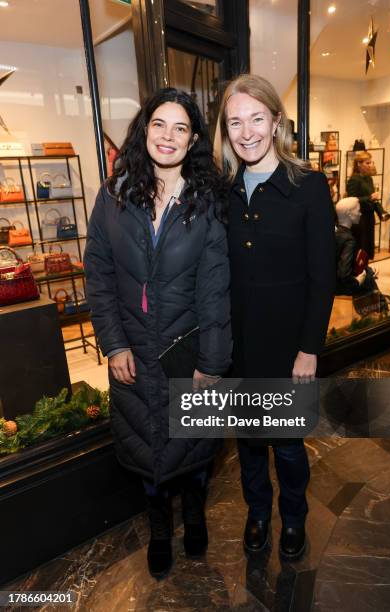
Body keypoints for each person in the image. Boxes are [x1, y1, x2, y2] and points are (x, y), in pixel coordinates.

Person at [84, 88, 231, 578]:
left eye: (181, 128)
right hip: (132, 350)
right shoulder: (113, 197)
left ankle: (193, 512)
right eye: (159, 125)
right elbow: (99, 277)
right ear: (144, 130)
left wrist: (212, 362)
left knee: (192, 447)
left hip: (186, 347)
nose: (168, 137)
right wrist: (114, 343)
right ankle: (160, 527)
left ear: (192, 141)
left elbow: (215, 288)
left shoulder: (204, 202)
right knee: (145, 447)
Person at [218, 74, 336, 560]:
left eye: (256, 119)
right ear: (225, 131)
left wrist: (309, 349)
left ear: (276, 122)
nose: (246, 132)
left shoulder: (307, 186)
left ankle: (292, 518)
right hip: (237, 348)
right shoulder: (221, 190)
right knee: (248, 446)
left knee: (287, 446)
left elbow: (323, 278)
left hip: (289, 349)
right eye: (234, 122)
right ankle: (257, 513)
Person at [335, 197, 387, 315]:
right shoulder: (349, 240)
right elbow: (343, 274)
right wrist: (358, 281)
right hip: (338, 285)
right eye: (357, 210)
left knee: (367, 272)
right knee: (367, 278)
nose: (360, 213)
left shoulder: (335, 231)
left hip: (329, 280)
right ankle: (380, 315)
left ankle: (373, 313)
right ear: (349, 214)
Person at [346, 151, 390, 259]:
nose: (370, 165)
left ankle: (366, 271)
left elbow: (372, 199)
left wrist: (381, 211)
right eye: (367, 163)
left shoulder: (369, 178)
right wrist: (369, 198)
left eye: (371, 162)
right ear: (359, 164)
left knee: (368, 247)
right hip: (360, 217)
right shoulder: (354, 179)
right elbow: (351, 199)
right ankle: (359, 271)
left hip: (369, 216)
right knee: (361, 246)